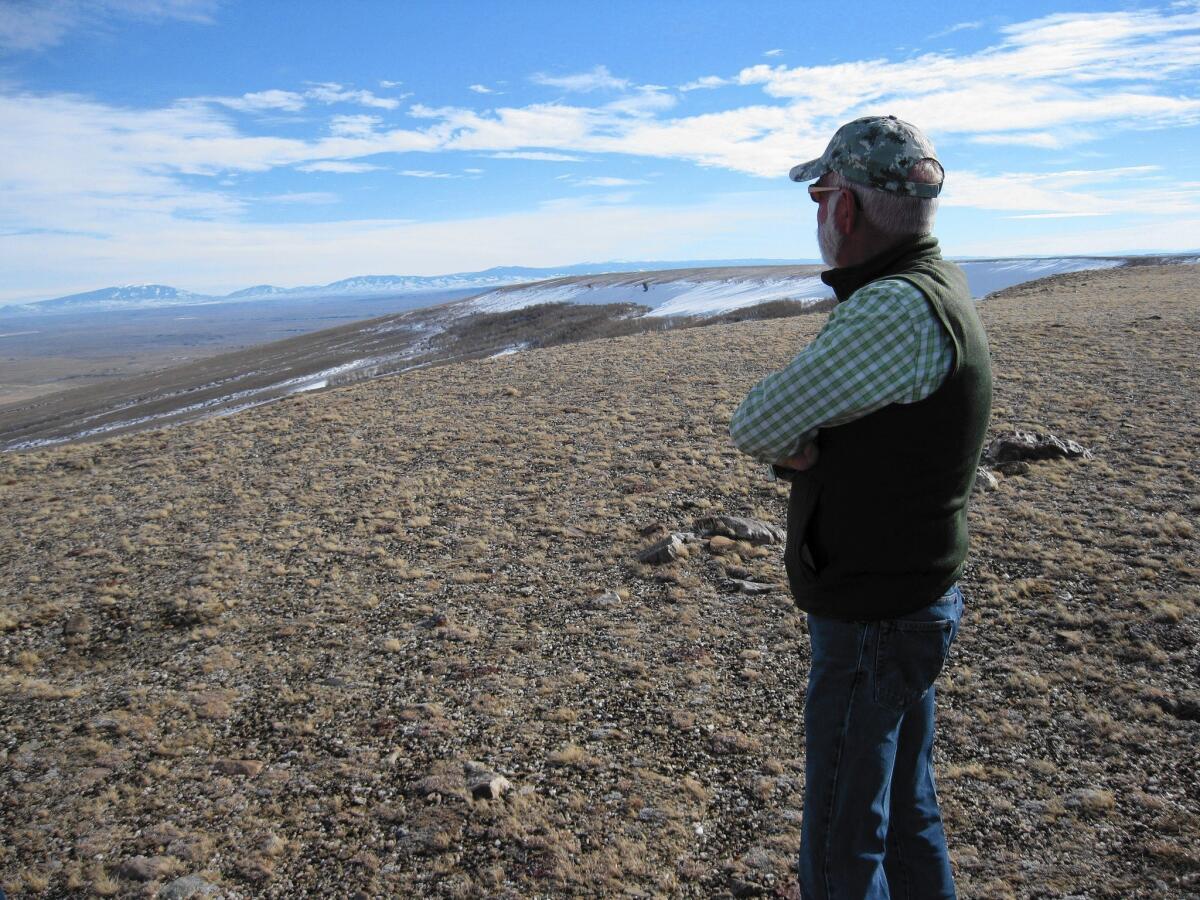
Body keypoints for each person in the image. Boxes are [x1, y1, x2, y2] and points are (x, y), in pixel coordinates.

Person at [729, 115, 992, 899]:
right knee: (907, 809)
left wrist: (802, 447)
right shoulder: (933, 288)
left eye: (819, 193)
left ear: (843, 207)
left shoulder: (892, 310)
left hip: (876, 610)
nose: (817, 213)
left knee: (845, 830)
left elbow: (760, 423)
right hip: (912, 591)